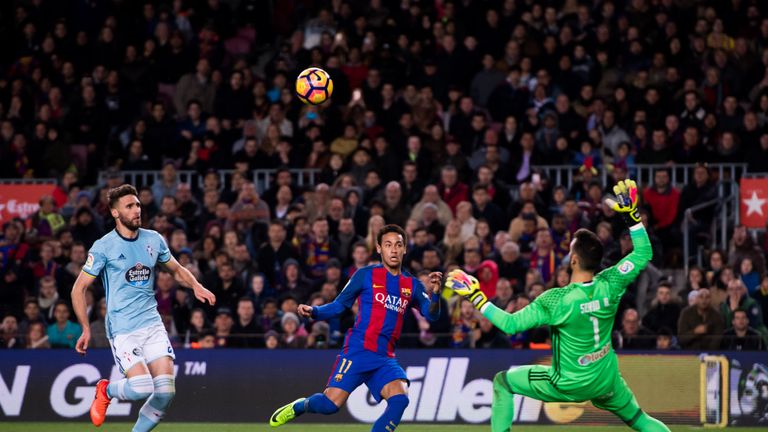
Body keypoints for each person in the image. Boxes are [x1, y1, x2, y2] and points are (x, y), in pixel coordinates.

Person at [447, 179, 669, 432]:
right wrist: (632, 216)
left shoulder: (556, 300)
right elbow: (643, 253)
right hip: (605, 378)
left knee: (502, 382)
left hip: (569, 383)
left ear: (573, 260)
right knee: (640, 419)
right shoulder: (612, 281)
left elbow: (510, 325)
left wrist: (476, 296)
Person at [269, 224, 443, 431]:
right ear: (379, 248)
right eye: (388, 245)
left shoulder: (412, 285)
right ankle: (301, 405)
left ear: (405, 249)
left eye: (398, 245)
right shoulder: (365, 275)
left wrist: (437, 294)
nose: (394, 250)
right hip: (357, 351)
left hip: (384, 357)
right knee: (329, 405)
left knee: (400, 399)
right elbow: (339, 305)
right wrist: (315, 311)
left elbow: (432, 315)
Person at [70, 185, 216, 431]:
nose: (137, 210)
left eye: (137, 204)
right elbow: (78, 289)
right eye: (129, 206)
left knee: (166, 392)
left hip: (152, 324)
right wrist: (85, 328)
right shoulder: (104, 246)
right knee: (141, 388)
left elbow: (177, 270)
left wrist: (196, 286)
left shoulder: (153, 239)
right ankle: (105, 389)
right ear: (115, 213)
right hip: (122, 328)